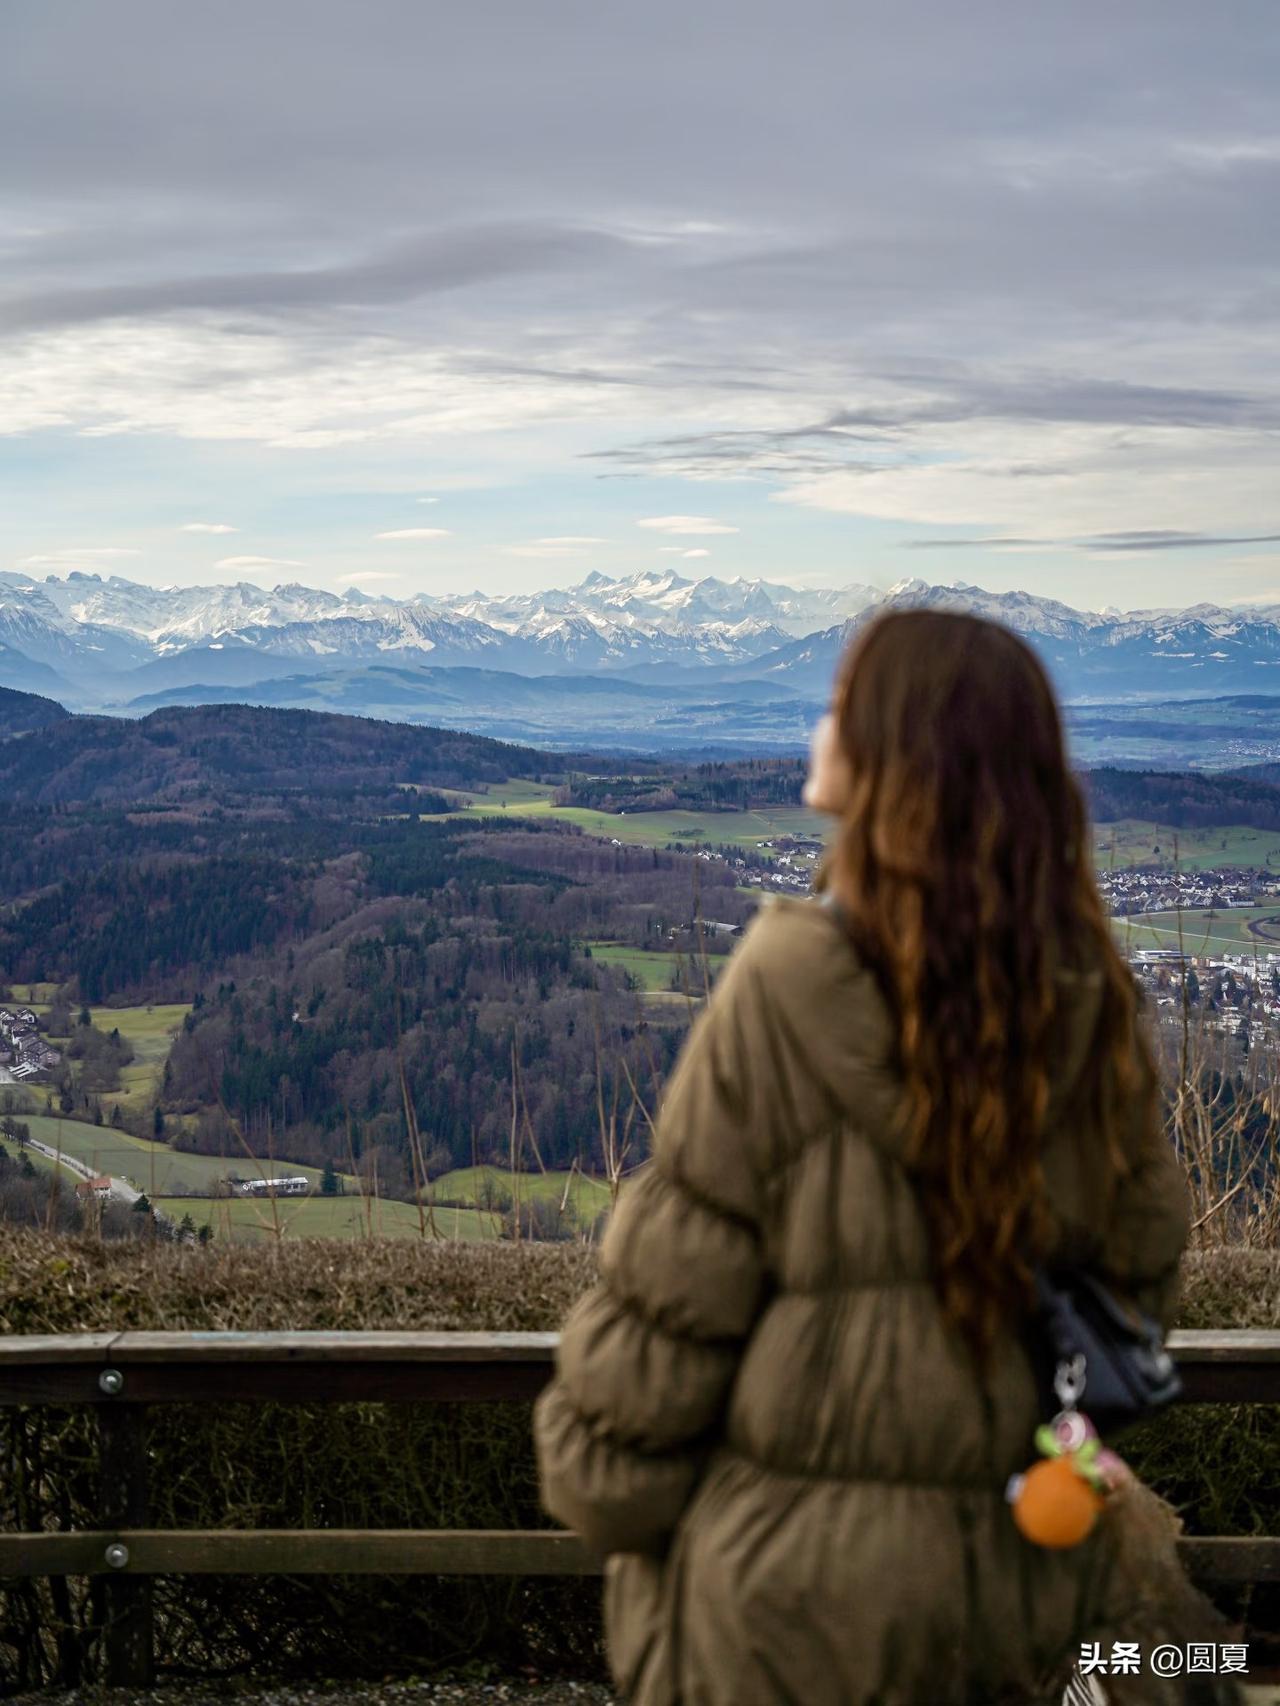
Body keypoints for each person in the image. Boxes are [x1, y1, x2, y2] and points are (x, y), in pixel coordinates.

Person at [534, 610, 1192, 1705]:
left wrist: (615, 1496)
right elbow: (1133, 1289)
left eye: (841, 703)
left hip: (781, 1600)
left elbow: (671, 1301)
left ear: (890, 755)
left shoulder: (787, 983)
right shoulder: (1087, 1005)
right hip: (1004, 1584)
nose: (820, 724)